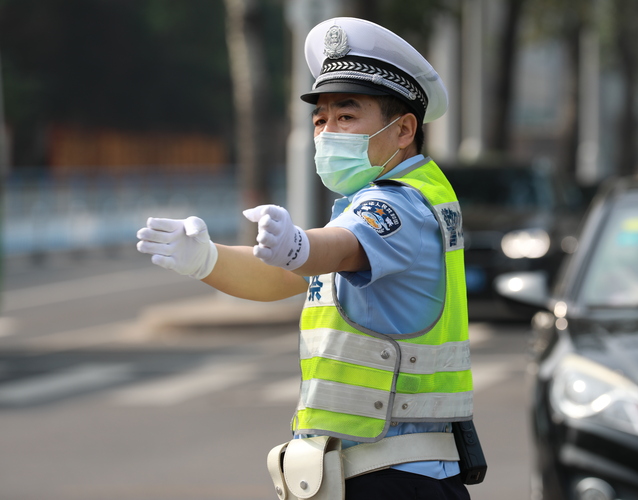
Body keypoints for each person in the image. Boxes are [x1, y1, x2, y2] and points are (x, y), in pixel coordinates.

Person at [137, 17, 474, 500]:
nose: (327, 132)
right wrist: (205, 259)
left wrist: (300, 246)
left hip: (394, 478)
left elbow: (339, 247)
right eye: (320, 119)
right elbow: (278, 278)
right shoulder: (389, 197)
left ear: (403, 130)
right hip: (376, 475)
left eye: (346, 116)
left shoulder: (399, 204)